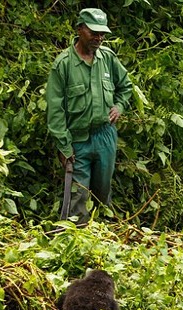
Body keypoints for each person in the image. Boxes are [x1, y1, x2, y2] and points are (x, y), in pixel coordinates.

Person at [46, 8, 133, 224]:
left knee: (102, 194)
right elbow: (55, 110)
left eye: (102, 34)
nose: (99, 38)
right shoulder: (64, 64)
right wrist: (64, 146)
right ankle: (77, 240)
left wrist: (119, 106)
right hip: (77, 142)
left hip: (105, 137)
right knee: (78, 196)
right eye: (94, 32)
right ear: (80, 29)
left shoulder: (108, 59)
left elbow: (126, 86)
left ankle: (103, 239)